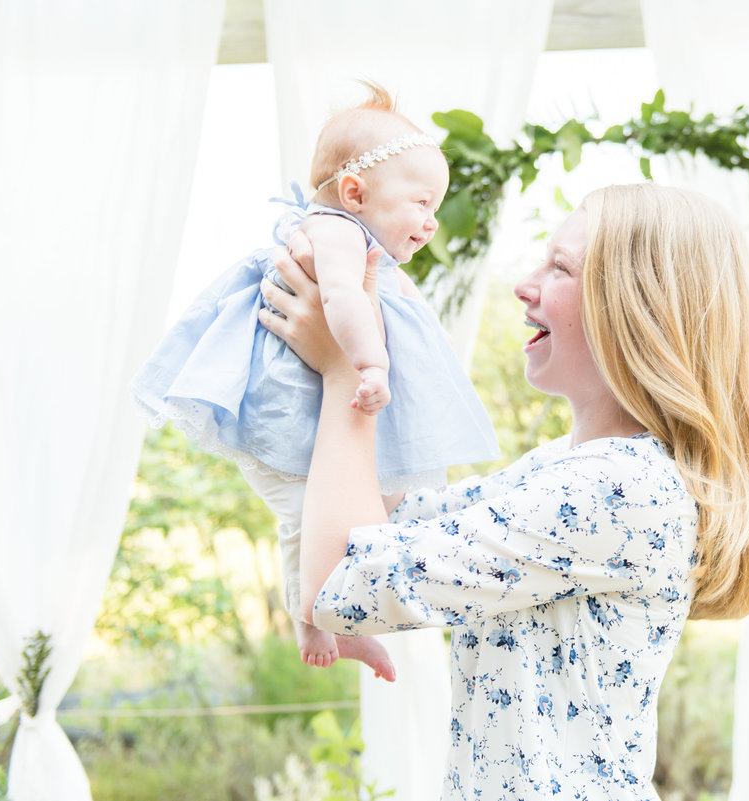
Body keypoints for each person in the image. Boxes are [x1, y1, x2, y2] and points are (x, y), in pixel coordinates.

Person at [260, 183, 749, 799]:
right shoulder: (566, 468)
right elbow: (380, 526)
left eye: (561, 267)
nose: (525, 283)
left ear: (636, 307)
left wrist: (345, 372)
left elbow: (340, 585)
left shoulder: (616, 490)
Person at [130, 83, 499, 679]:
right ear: (355, 192)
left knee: (358, 510)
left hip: (309, 423)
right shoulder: (337, 234)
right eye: (422, 202)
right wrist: (370, 363)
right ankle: (316, 615)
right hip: (289, 422)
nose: (431, 222)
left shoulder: (358, 241)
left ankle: (330, 615)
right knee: (310, 513)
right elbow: (340, 300)